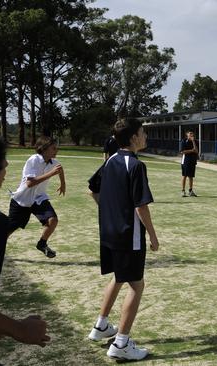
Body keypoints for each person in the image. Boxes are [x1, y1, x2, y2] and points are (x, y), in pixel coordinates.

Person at [88, 118, 159, 361]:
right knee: (136, 285)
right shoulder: (136, 165)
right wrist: (152, 234)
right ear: (132, 138)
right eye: (142, 133)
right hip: (129, 235)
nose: (145, 137)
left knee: (119, 278)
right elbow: (141, 207)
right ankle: (121, 343)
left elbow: (93, 190)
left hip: (109, 232)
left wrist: (110, 212)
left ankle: (101, 326)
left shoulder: (110, 162)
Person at [0, 139, 51, 349]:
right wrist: (19, 329)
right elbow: (29, 183)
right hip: (21, 202)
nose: (7, 165)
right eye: (2, 160)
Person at [8, 136, 65, 258]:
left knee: (53, 220)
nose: (57, 150)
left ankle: (42, 244)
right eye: (53, 148)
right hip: (22, 200)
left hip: (39, 199)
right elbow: (30, 183)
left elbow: (60, 168)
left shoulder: (53, 162)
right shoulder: (34, 160)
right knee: (9, 229)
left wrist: (63, 184)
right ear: (43, 149)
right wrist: (51, 173)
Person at [180, 131, 198, 197]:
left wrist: (193, 142)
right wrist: (191, 150)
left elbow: (196, 151)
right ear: (187, 134)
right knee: (184, 176)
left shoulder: (195, 141)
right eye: (189, 133)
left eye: (192, 133)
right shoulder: (184, 141)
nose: (191, 135)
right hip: (185, 161)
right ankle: (183, 191)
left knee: (191, 177)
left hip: (192, 161)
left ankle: (190, 191)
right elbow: (182, 151)